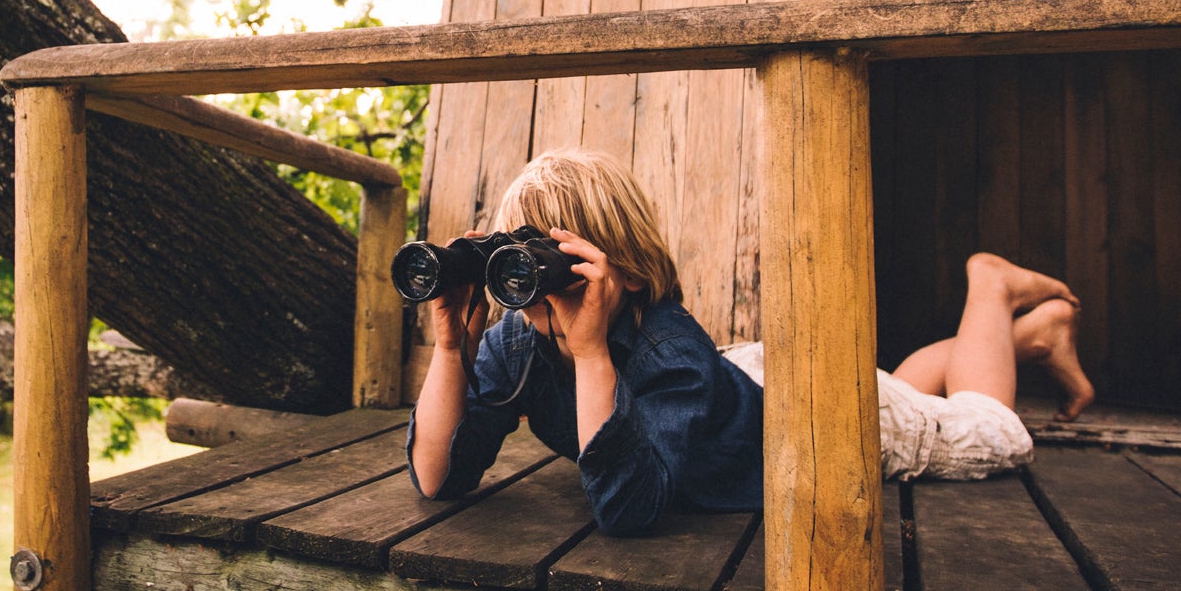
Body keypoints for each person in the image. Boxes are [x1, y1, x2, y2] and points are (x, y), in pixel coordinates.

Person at [408, 149, 1093, 537]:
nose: (527, 286)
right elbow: (437, 478)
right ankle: (1027, 337)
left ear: (614, 266)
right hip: (738, 385)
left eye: (542, 262)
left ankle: (993, 290)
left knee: (994, 431)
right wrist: (449, 349)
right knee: (909, 393)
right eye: (512, 263)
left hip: (813, 416)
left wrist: (590, 354)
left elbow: (627, 511)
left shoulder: (666, 349)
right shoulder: (517, 345)